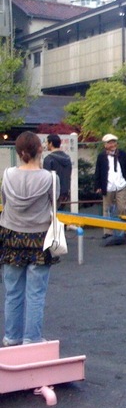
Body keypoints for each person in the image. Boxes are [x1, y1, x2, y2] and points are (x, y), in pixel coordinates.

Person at [0, 131, 57, 346]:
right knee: (36, 293)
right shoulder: (50, 178)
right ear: (40, 149)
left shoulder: (7, 175)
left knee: (13, 292)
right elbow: (54, 204)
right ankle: (32, 339)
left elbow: (5, 202)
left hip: (11, 236)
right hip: (40, 237)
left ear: (18, 152)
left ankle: (11, 337)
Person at [94, 133, 126, 239]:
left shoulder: (122, 154)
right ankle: (108, 232)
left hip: (121, 184)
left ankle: (125, 230)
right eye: (110, 143)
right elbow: (98, 171)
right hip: (108, 186)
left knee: (123, 208)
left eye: (114, 142)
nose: (112, 145)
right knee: (107, 209)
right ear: (105, 145)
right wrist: (98, 186)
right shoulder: (102, 156)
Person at [43, 134, 72, 211]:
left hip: (53, 195)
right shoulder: (68, 159)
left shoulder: (48, 159)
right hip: (66, 194)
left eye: (47, 142)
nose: (46, 144)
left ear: (51, 143)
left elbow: (46, 180)